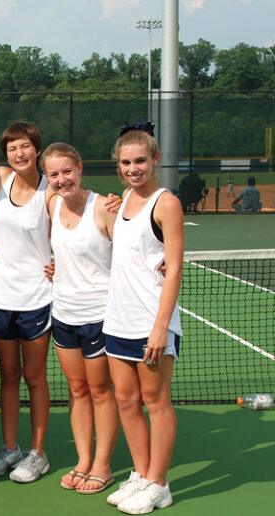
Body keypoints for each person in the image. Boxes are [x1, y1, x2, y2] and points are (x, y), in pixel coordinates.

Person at [103, 123, 184, 514]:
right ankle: (140, 473)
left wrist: (160, 329)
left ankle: (160, 483)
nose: (133, 168)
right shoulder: (124, 199)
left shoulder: (166, 203)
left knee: (156, 403)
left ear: (155, 159)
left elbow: (176, 269)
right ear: (118, 166)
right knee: (126, 400)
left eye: (140, 161)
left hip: (151, 321)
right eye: (125, 163)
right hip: (117, 318)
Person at [42, 142, 119, 494]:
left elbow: (132, 252)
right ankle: (84, 460)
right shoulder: (52, 203)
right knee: (76, 389)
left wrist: (162, 263)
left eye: (67, 171)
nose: (62, 180)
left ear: (80, 168)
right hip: (64, 313)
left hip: (100, 315)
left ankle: (103, 466)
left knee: (101, 392)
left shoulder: (104, 207)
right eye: (54, 174)